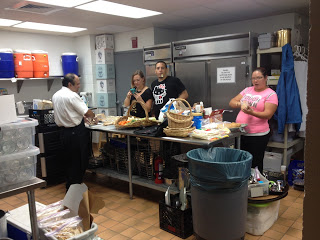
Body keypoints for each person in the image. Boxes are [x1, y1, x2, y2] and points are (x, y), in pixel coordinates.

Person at [52, 73, 97, 190]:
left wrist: (81, 116)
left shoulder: (56, 95)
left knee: (68, 161)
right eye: (77, 84)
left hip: (63, 132)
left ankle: (70, 186)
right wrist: (94, 116)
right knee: (79, 161)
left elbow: (68, 112)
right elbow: (87, 112)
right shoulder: (72, 96)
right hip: (75, 133)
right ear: (69, 84)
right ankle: (76, 188)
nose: (79, 86)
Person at [229, 67, 278, 172]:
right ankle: (243, 186)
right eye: (253, 78)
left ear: (265, 78)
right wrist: (240, 103)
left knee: (255, 164)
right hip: (241, 133)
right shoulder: (247, 90)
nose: (255, 81)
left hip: (257, 136)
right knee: (241, 162)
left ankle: (256, 186)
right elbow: (232, 102)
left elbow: (268, 114)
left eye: (259, 78)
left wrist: (252, 112)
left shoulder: (271, 94)